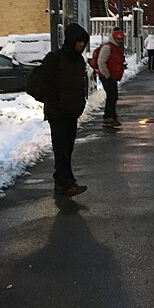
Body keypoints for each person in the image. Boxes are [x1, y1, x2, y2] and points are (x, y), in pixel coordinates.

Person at [40, 23, 91, 197]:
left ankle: (63, 180)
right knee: (61, 149)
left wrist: (80, 104)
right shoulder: (55, 59)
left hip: (71, 112)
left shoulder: (78, 61)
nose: (81, 45)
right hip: (58, 113)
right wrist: (54, 102)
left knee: (67, 148)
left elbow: (79, 85)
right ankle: (65, 183)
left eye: (83, 42)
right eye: (78, 42)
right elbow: (40, 84)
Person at [97, 28, 125, 128]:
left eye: (121, 39)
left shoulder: (116, 48)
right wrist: (106, 74)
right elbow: (101, 62)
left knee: (113, 96)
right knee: (112, 96)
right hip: (106, 76)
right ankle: (108, 118)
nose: (120, 41)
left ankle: (111, 117)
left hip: (112, 76)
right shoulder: (108, 48)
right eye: (118, 39)